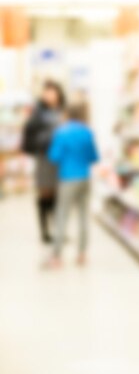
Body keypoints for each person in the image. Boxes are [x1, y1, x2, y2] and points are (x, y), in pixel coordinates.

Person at [45, 102, 99, 268]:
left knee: (62, 216)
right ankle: (82, 254)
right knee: (83, 216)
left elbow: (53, 156)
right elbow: (94, 157)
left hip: (67, 178)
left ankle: (57, 256)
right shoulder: (87, 132)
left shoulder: (61, 132)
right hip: (85, 178)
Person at [21, 80, 66, 243]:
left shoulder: (62, 110)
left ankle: (58, 229)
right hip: (44, 157)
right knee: (44, 193)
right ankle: (44, 231)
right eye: (47, 91)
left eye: (53, 91)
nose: (50, 95)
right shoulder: (38, 112)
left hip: (61, 159)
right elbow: (29, 133)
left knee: (58, 195)